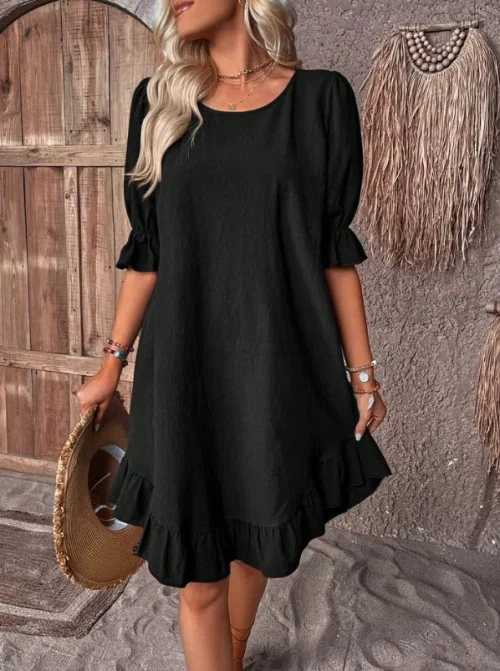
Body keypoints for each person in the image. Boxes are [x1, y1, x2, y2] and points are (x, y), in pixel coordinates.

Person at [76, 0, 392, 668]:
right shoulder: (157, 104)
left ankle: (237, 652)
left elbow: (334, 254)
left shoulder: (321, 101)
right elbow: (148, 254)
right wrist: (111, 364)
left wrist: (363, 376)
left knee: (256, 541)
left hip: (280, 368)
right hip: (183, 372)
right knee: (198, 583)